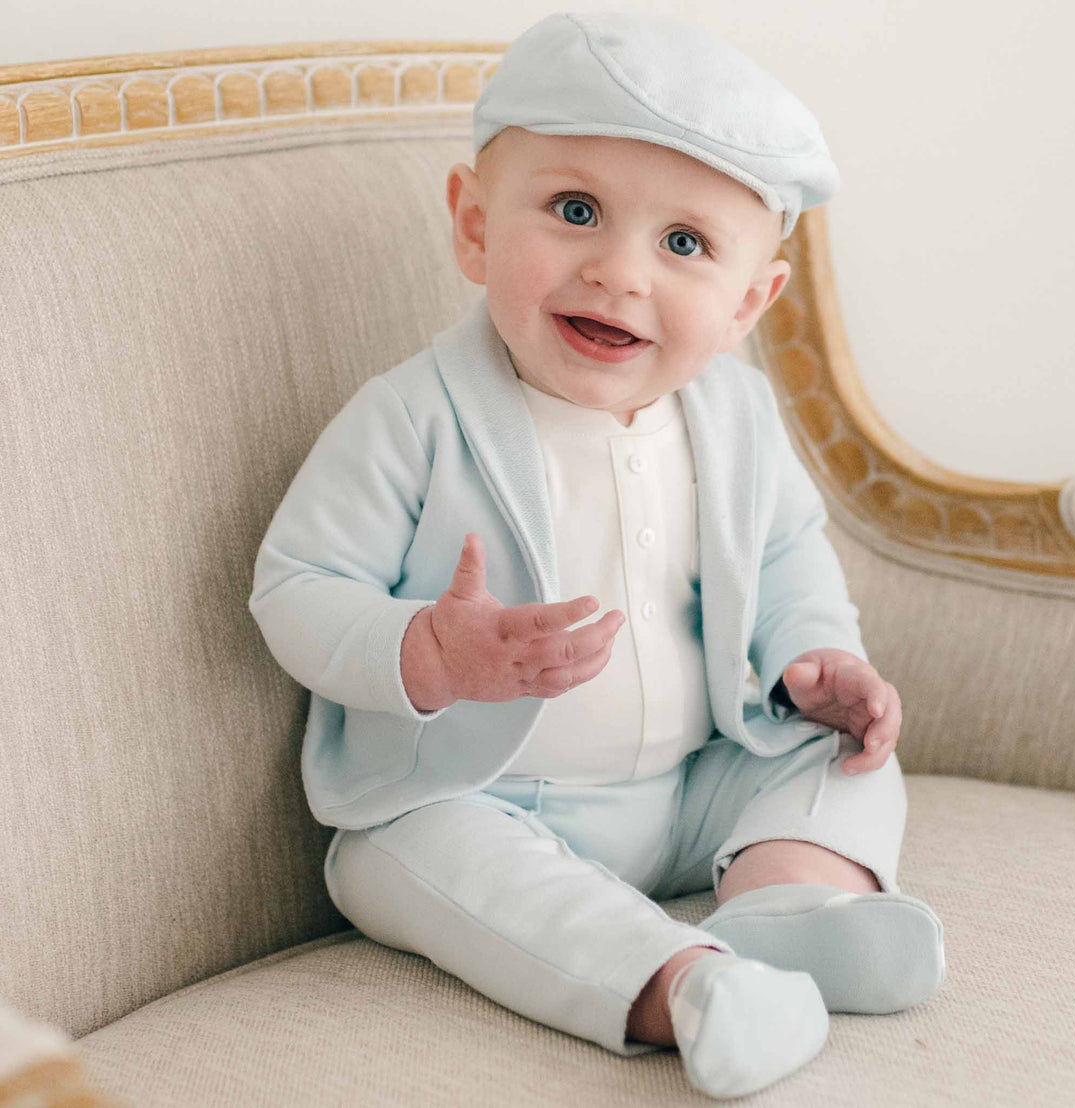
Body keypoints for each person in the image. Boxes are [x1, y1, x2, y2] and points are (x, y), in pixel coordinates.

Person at [249, 11, 945, 1099]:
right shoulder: (411, 419)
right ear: (474, 226)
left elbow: (791, 552)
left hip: (685, 784)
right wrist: (428, 650)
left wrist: (814, 655)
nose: (620, 272)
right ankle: (682, 982)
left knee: (839, 753)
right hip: (473, 794)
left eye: (684, 245)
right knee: (403, 863)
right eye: (575, 211)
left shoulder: (738, 415)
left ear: (748, 303)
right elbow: (294, 588)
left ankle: (792, 903)